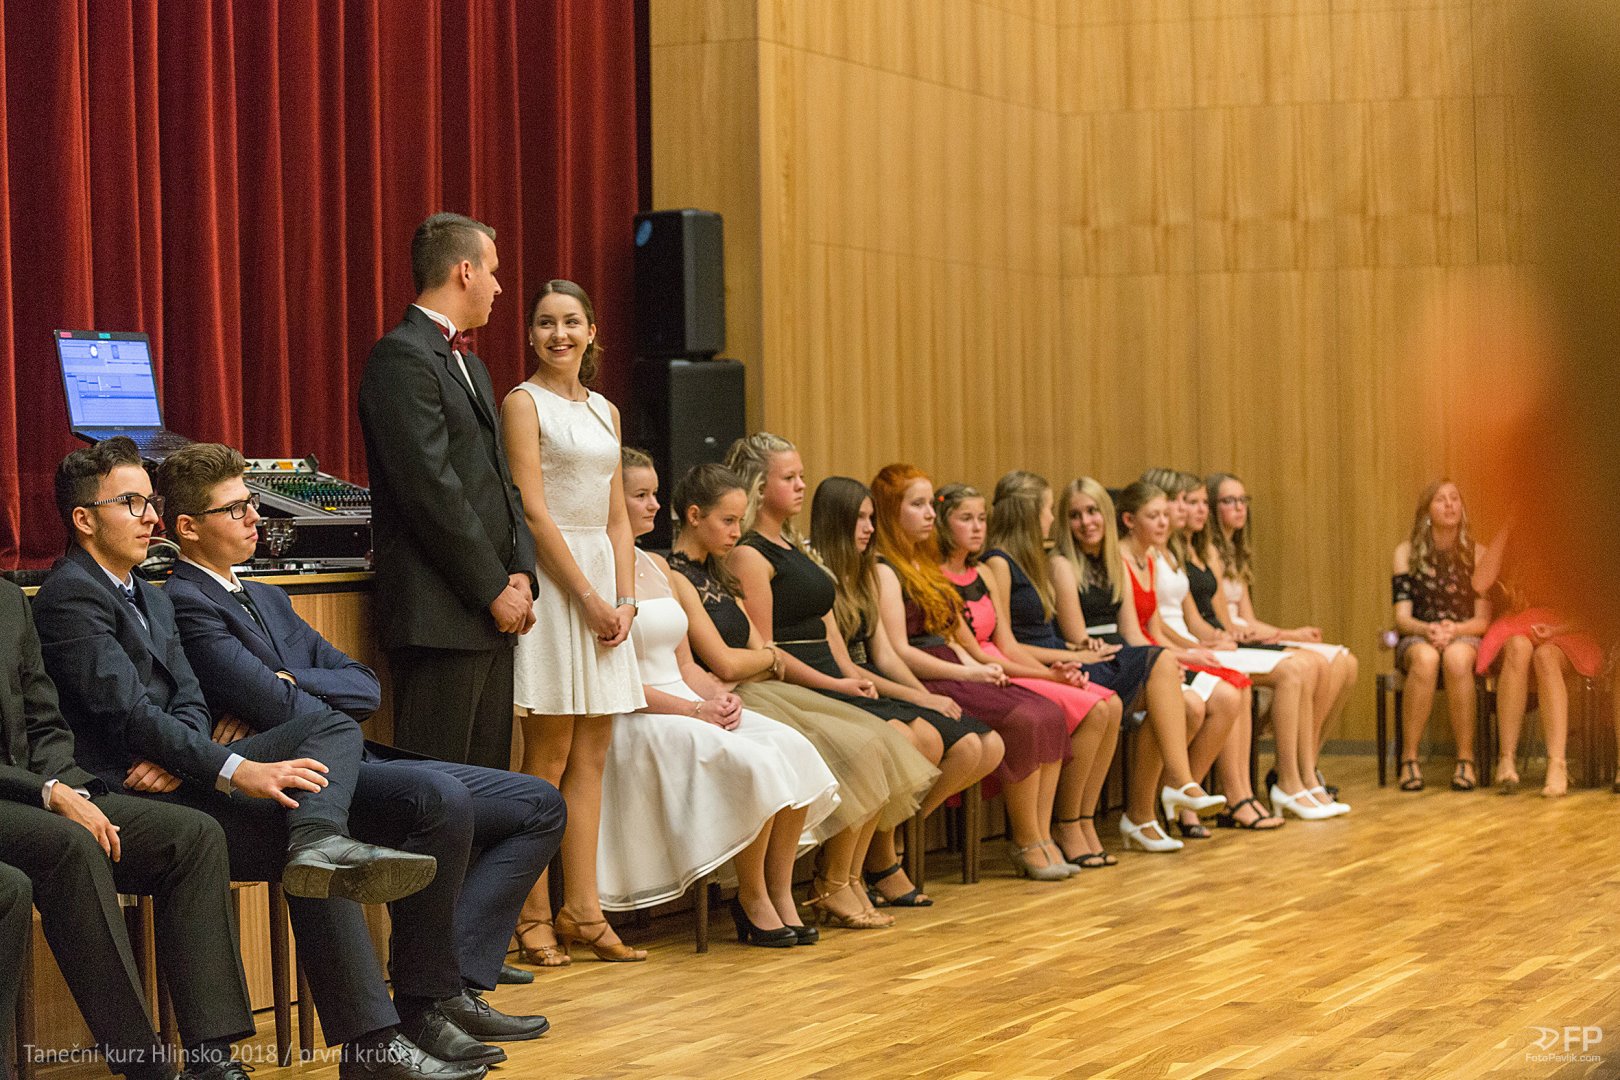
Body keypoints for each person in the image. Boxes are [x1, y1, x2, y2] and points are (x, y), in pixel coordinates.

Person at [32, 439, 475, 1080]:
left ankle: (372, 1045)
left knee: (312, 815)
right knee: (317, 764)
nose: (151, 517)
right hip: (121, 788)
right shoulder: (70, 597)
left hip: (178, 771)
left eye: (149, 502)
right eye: (131, 503)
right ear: (84, 519)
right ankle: (237, 1055)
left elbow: (187, 697)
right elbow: (128, 714)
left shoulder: (150, 593)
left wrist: (189, 759)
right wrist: (227, 767)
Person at [155, 443, 560, 1059]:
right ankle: (425, 1004)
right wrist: (291, 690)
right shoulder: (183, 600)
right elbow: (278, 709)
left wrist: (289, 680)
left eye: (251, 502)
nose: (255, 517)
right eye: (234, 509)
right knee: (439, 795)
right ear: (188, 527)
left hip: (348, 756)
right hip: (294, 777)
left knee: (540, 805)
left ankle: (453, 984)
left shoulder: (268, 597)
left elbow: (364, 687)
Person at [0, 576, 254, 1080]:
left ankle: (211, 1059)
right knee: (71, 844)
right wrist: (48, 793)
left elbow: (44, 721)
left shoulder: (8, 599)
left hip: (42, 787)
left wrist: (69, 788)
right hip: (21, 794)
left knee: (192, 837)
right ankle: (145, 1065)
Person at [667, 464, 947, 919]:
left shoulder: (719, 573)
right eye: (728, 521)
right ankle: (827, 881)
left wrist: (787, 665)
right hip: (730, 694)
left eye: (739, 521)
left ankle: (847, 877)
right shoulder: (674, 573)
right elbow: (728, 662)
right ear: (695, 516)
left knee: (878, 742)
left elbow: (764, 649)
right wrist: (765, 659)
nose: (736, 531)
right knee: (860, 747)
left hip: (759, 685)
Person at [603, 450, 837, 945]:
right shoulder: (598, 572)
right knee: (757, 764)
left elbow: (687, 666)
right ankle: (750, 898)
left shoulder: (660, 568)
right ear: (610, 501)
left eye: (655, 493)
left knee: (795, 748)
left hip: (688, 702)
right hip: (638, 714)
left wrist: (720, 698)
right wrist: (695, 709)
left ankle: (780, 892)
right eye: (641, 495)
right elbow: (616, 682)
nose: (655, 505)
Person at [499, 280, 647, 964]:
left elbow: (617, 518)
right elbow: (532, 511)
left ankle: (582, 910)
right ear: (530, 334)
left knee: (593, 757)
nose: (558, 334)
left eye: (570, 322)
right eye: (544, 323)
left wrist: (625, 599)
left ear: (591, 332)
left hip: (605, 593)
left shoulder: (605, 410)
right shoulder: (521, 403)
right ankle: (530, 915)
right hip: (558, 588)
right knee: (548, 758)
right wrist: (587, 597)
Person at [359, 212, 538, 771]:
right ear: (465, 271)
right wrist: (493, 587)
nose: (499, 287)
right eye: (494, 271)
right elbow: (430, 491)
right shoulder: (401, 356)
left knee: (490, 789)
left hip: (493, 613)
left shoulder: (473, 366)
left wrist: (522, 571)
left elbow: (501, 481)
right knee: (438, 792)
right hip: (440, 616)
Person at [869, 463, 1085, 880]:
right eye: (918, 505)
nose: (929, 514)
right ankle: (1021, 840)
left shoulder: (924, 564)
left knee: (1048, 712)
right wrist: (968, 675)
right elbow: (899, 651)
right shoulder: (885, 568)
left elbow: (956, 636)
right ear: (892, 511)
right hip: (925, 673)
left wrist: (978, 666)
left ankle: (1042, 836)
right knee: (1025, 719)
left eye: (931, 505)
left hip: (952, 665)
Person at [807, 475, 1004, 898]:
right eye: (860, 519)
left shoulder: (863, 572)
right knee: (924, 740)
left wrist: (922, 695)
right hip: (845, 681)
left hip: (872, 678)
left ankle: (888, 837)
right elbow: (848, 664)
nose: (869, 528)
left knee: (979, 746)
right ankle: (879, 855)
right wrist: (919, 695)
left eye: (872, 518)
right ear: (836, 523)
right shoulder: (821, 578)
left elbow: (884, 653)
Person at [941, 480, 1124, 868]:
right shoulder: (993, 565)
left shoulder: (983, 571)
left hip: (1005, 660)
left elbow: (1005, 641)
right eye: (1048, 509)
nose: (1052, 518)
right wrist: (1052, 673)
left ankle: (1074, 823)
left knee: (1109, 703)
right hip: (977, 668)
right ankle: (1049, 831)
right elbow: (978, 649)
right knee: (1070, 711)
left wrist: (1054, 670)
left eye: (981, 518)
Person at [1150, 468, 1347, 822]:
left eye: (1197, 502)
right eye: (1186, 502)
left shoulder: (1187, 552)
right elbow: (1161, 621)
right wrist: (1205, 643)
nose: (1193, 510)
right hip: (1178, 648)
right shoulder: (1161, 554)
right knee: (1292, 670)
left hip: (1201, 642)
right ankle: (1258, 788)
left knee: (1317, 663)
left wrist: (1220, 637)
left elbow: (1208, 618)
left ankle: (1298, 777)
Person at [1207, 472, 1360, 801]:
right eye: (1229, 501)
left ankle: (1307, 763)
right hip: (1233, 638)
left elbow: (1248, 618)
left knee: (1345, 662)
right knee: (1313, 663)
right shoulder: (1209, 553)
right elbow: (1232, 625)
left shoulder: (1235, 550)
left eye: (1243, 500)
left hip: (1248, 633)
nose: (1239, 507)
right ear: (1212, 507)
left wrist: (1289, 633)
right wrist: (1287, 635)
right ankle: (1293, 770)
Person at [1110, 481, 1239, 846]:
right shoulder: (1119, 558)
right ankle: (1169, 792)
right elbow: (1133, 634)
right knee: (1191, 706)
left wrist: (1181, 653)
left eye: (1165, 515)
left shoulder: (1149, 558)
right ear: (1129, 520)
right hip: (1131, 656)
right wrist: (1174, 658)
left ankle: (1155, 805)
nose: (1164, 523)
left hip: (1154, 654)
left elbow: (1155, 630)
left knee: (1211, 701)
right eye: (1154, 516)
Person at [1469, 520, 1601, 797]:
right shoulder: (1516, 536)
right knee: (1517, 647)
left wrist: (1557, 630)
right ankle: (1506, 759)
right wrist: (1507, 525)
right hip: (1519, 624)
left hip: (1568, 626)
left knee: (1545, 656)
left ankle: (1557, 763)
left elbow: (1593, 608)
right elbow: (1479, 582)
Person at [1391, 480, 1491, 793]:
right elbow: (1402, 619)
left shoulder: (1478, 553)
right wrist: (1427, 629)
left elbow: (1483, 620)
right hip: (1419, 634)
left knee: (1457, 657)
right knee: (1426, 658)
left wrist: (1455, 630)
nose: (1449, 505)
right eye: (1440, 500)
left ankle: (1466, 759)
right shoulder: (1406, 553)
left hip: (1465, 633)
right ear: (1426, 512)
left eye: (1454, 499)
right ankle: (1409, 758)